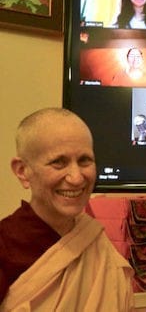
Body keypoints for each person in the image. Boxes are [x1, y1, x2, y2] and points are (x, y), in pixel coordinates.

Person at [0, 108, 134, 310]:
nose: (76, 177)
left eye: (84, 160)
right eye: (58, 162)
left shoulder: (94, 241)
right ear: (22, 171)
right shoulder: (5, 245)